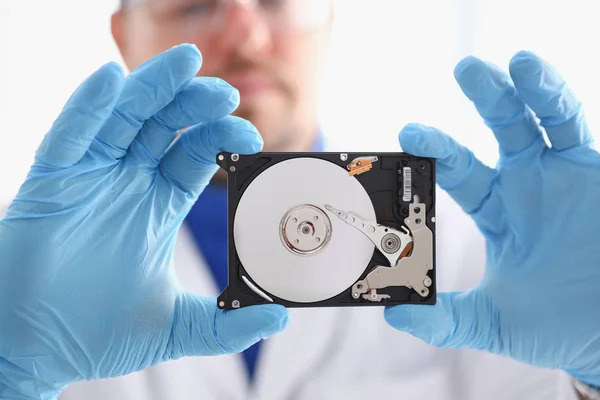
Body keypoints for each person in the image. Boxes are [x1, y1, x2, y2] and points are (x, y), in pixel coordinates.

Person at [0, 1, 599, 400]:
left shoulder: (475, 247)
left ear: (330, 20)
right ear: (122, 33)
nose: (246, 33)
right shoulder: (34, 274)